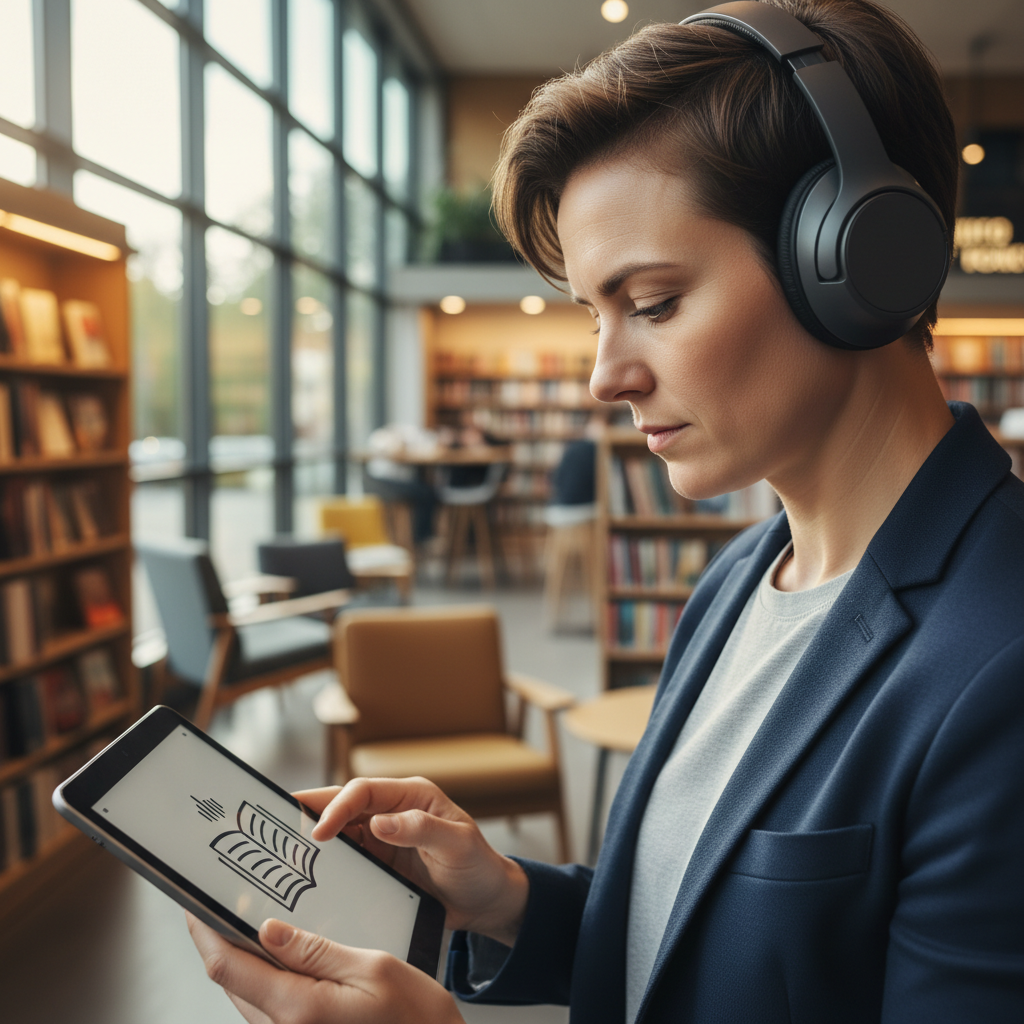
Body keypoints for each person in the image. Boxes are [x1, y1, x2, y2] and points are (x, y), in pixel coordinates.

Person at [187, 2, 1024, 1021]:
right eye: (595, 313)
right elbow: (682, 947)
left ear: (851, 261)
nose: (604, 377)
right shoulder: (735, 581)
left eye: (656, 302)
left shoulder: (1001, 666)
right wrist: (503, 898)